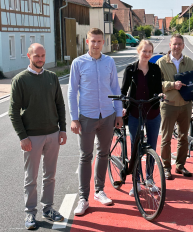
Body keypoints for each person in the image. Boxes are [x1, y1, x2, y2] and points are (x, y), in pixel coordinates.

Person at [9, 43, 67, 230]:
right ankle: (30, 213)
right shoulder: (20, 80)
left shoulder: (52, 77)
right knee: (31, 178)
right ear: (29, 56)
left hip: (52, 133)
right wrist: (22, 137)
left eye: (43, 56)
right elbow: (13, 112)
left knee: (50, 175)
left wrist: (63, 129)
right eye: (36, 56)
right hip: (31, 137)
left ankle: (48, 208)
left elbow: (60, 105)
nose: (40, 59)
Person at [68, 28, 123, 216]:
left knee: (104, 153)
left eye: (99, 41)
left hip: (107, 115)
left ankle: (99, 191)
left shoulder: (109, 62)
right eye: (93, 41)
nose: (96, 44)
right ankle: (83, 197)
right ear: (87, 42)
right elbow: (72, 92)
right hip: (86, 117)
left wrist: (118, 114)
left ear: (103, 43)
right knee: (85, 156)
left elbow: (115, 88)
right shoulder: (78, 63)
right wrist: (74, 118)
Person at [121, 40, 163, 196]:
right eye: (144, 51)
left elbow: (158, 89)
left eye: (149, 51)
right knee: (136, 147)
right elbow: (123, 91)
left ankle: (150, 179)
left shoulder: (155, 69)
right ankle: (136, 181)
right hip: (134, 113)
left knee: (151, 147)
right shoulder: (130, 69)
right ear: (138, 51)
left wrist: (160, 95)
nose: (147, 54)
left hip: (152, 112)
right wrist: (124, 106)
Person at [157, 34, 193, 179]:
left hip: (186, 105)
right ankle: (166, 168)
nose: (177, 47)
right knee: (166, 138)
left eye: (179, 44)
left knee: (184, 137)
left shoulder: (189, 62)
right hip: (169, 105)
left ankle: (180, 165)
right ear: (170, 45)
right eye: (174, 44)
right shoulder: (161, 63)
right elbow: (156, 85)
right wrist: (172, 85)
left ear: (183, 45)